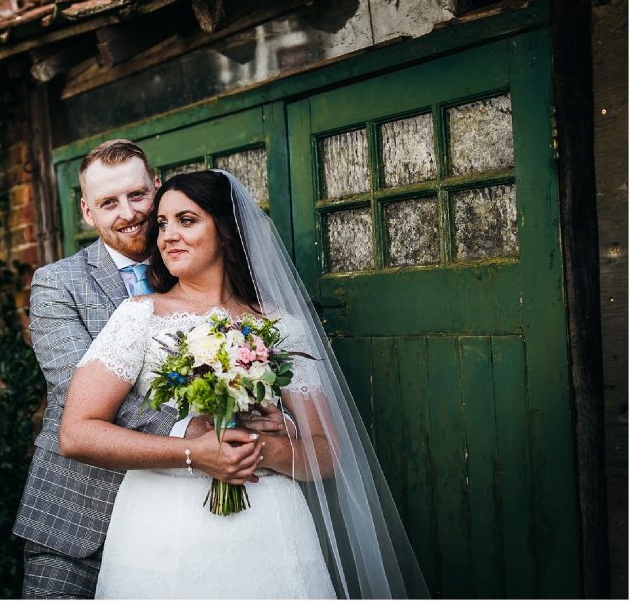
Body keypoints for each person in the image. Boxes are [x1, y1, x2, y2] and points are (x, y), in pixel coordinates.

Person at [59, 170, 430, 599]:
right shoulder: (139, 316)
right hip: (163, 532)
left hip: (270, 532)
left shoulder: (279, 326)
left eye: (186, 220)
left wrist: (267, 450)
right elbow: (77, 432)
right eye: (162, 224)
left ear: (226, 228)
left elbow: (325, 452)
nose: (167, 237)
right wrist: (192, 453)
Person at [13, 142, 281, 599]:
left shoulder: (196, 266)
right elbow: (73, 394)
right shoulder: (58, 283)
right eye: (108, 203)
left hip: (182, 520)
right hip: (77, 520)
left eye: (138, 195)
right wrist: (206, 429)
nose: (129, 213)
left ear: (157, 187)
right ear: (86, 212)